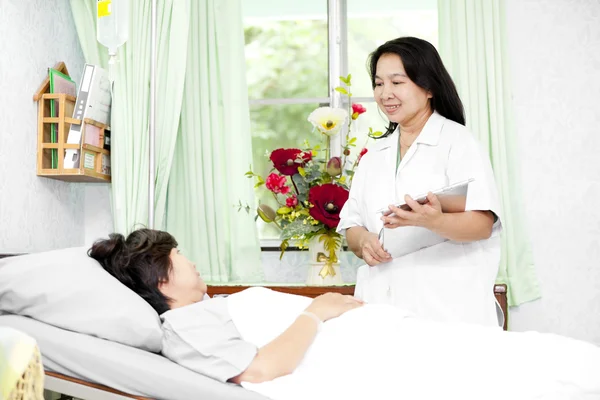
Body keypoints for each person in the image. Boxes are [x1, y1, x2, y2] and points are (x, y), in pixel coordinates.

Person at [337, 36, 503, 327]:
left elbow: (482, 224)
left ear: (428, 87)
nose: (385, 93)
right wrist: (364, 241)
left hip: (446, 310)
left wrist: (433, 221)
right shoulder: (374, 155)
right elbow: (351, 225)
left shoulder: (458, 142)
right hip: (380, 307)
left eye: (397, 82)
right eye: (378, 84)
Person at [88, 228, 364, 384]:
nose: (192, 262)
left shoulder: (203, 308)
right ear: (161, 279)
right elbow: (261, 368)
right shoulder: (183, 326)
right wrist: (316, 312)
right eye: (179, 255)